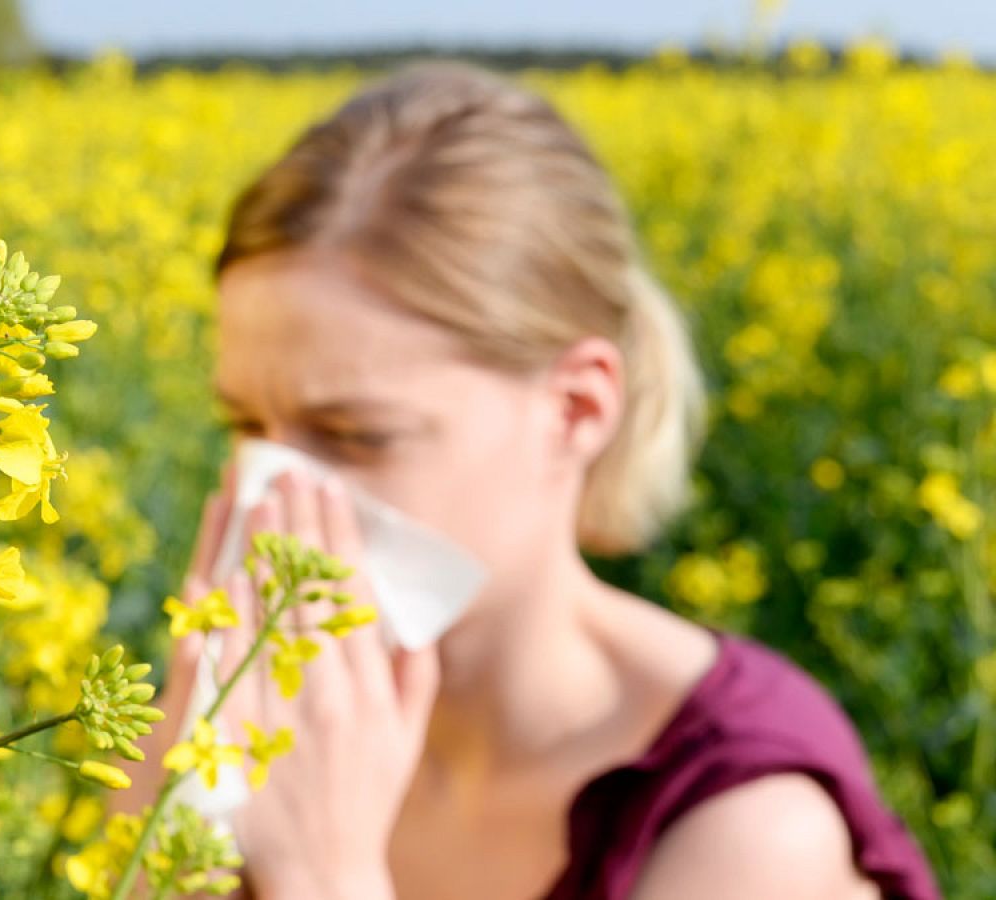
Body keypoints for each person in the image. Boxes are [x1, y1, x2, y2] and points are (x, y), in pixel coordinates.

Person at [110, 60, 940, 899]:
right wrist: (162, 840)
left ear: (577, 411)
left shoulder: (747, 826)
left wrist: (322, 877)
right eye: (245, 426)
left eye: (357, 435)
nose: (271, 495)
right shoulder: (271, 731)